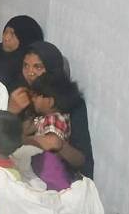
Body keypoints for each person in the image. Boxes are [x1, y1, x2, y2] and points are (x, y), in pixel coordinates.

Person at [10, 41, 94, 179]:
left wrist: (58, 145)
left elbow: (82, 160)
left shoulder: (71, 104)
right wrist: (11, 111)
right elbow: (2, 135)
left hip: (55, 176)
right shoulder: (19, 92)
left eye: (38, 67)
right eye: (25, 66)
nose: (30, 73)